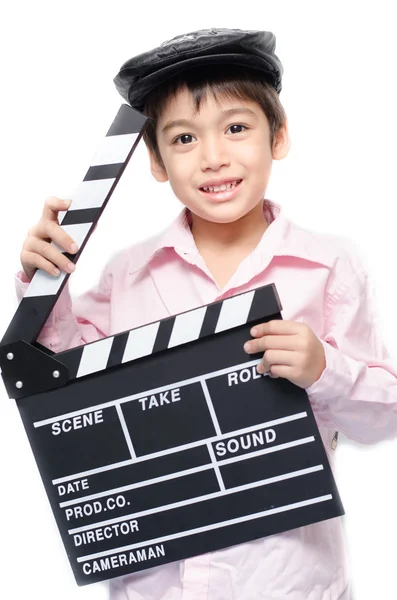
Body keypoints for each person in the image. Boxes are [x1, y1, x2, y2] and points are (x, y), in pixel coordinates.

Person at [15, 28, 397, 600]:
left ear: (280, 135)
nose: (214, 157)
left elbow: (382, 419)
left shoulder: (327, 267)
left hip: (289, 583)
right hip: (156, 585)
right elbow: (61, 387)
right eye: (184, 138)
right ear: (157, 161)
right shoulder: (128, 275)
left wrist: (325, 369)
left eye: (237, 128)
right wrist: (45, 283)